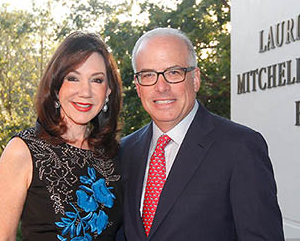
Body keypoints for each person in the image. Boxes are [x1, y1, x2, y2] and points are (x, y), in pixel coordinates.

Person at [119, 27, 285, 240]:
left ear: (195, 79)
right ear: (138, 86)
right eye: (148, 75)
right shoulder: (124, 151)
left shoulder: (240, 147)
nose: (161, 87)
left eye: (173, 72)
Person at [0, 32, 123, 241]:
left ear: (108, 91)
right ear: (56, 85)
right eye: (73, 78)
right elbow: (1, 238)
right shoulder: (22, 151)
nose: (85, 92)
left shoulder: (115, 154)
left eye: (96, 80)